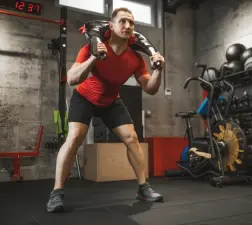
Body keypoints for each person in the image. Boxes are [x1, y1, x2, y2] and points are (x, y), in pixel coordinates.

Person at [46, 7, 165, 213]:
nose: (127, 26)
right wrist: (94, 57)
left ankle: (143, 188)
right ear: (111, 26)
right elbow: (73, 79)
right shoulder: (91, 47)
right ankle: (56, 192)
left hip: (111, 101)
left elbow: (150, 88)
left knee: (132, 137)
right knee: (74, 138)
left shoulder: (136, 59)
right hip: (84, 98)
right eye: (122, 21)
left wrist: (158, 71)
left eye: (131, 22)